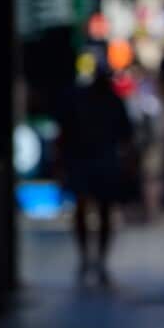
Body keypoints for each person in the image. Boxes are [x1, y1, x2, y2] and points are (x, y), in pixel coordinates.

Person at [57, 64, 135, 285]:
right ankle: (90, 257)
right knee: (89, 208)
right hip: (88, 160)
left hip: (98, 161)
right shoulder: (90, 101)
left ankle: (95, 258)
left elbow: (126, 136)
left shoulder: (110, 102)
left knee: (100, 209)